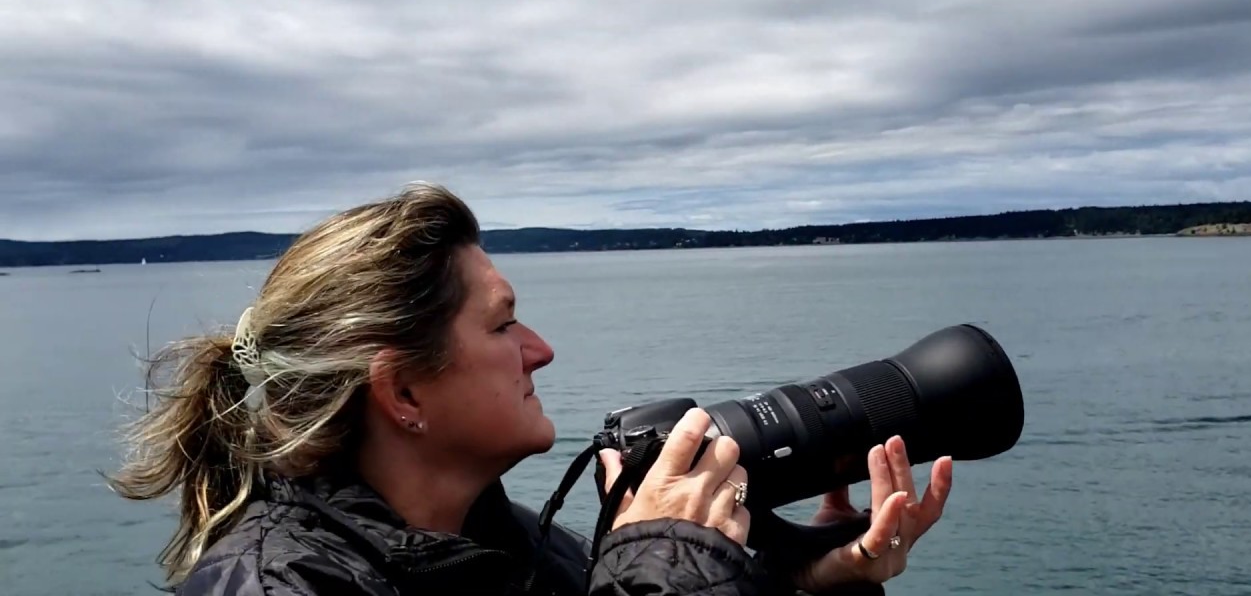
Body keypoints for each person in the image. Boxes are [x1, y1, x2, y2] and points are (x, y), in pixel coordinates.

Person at [108, 183, 953, 595]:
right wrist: (667, 569)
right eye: (505, 325)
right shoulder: (275, 588)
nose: (542, 351)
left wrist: (802, 582)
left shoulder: (512, 549)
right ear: (402, 392)